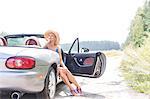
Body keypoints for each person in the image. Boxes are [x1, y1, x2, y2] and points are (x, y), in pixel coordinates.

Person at [43, 30, 82, 96]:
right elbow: (41, 51)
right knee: (62, 72)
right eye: (49, 35)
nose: (50, 37)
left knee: (64, 71)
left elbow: (60, 60)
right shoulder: (47, 45)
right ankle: (75, 87)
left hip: (57, 65)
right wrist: (47, 43)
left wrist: (64, 66)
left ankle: (74, 87)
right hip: (51, 66)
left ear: (55, 37)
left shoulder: (58, 47)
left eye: (52, 36)